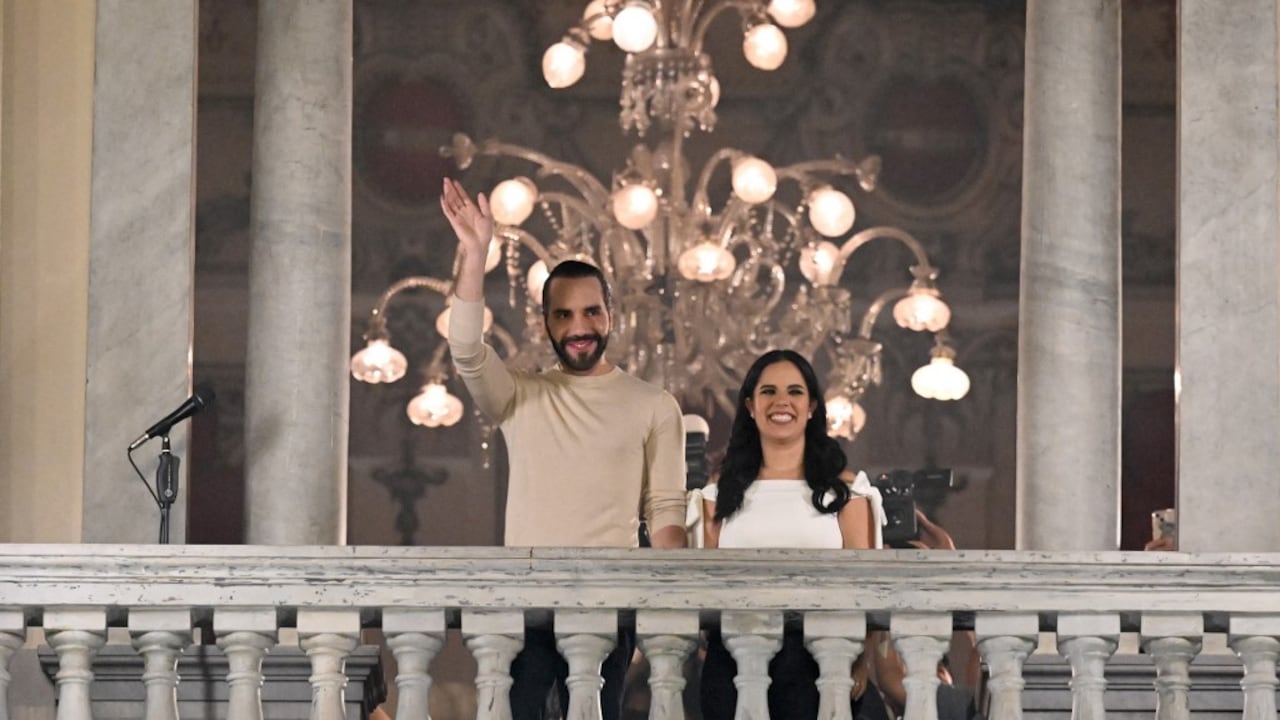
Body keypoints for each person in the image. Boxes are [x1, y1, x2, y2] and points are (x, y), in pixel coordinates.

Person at [440, 177, 688, 719]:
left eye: (592, 312)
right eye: (564, 315)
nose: (580, 327)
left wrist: (671, 615)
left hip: (610, 611)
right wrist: (476, 252)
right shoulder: (519, 396)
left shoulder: (653, 404)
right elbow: (465, 347)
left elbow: (667, 516)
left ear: (610, 314)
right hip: (524, 610)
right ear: (546, 322)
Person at [699, 349, 886, 720]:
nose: (781, 401)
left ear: (813, 406)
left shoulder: (846, 491)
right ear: (751, 406)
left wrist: (862, 659)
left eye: (795, 391)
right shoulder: (719, 492)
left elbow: (867, 587)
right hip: (733, 661)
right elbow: (705, 584)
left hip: (820, 662)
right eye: (768, 391)